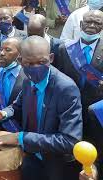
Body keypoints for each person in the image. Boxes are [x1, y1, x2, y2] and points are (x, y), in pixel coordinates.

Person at [0, 36, 83, 180]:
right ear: (21, 61)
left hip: (56, 166)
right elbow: (18, 105)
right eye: (29, 63)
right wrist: (2, 114)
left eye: (41, 62)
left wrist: (21, 138)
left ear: (51, 58)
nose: (35, 68)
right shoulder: (28, 81)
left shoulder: (66, 89)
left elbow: (70, 140)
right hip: (31, 157)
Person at [57, 10, 103, 179]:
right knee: (70, 155)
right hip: (70, 112)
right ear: (81, 24)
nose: (92, 26)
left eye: (97, 23)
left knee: (96, 152)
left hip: (96, 114)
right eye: (88, 22)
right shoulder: (65, 49)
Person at [0, 37, 26, 132]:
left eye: (7, 50)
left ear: (19, 54)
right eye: (1, 49)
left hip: (21, 131)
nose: (1, 53)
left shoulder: (28, 76)